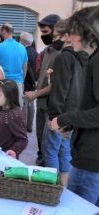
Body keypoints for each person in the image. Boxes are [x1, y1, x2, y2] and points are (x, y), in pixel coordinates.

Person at [51, 6, 99, 206]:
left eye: (73, 33)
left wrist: (64, 118)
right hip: (89, 155)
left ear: (88, 32)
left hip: (91, 159)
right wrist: (71, 124)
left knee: (76, 208)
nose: (69, 38)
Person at [43, 19, 89, 185]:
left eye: (56, 36)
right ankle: (63, 188)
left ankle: (52, 188)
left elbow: (60, 90)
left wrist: (54, 117)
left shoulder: (65, 57)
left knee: (50, 151)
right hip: (74, 114)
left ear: (67, 36)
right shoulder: (85, 57)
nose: (54, 40)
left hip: (61, 114)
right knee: (64, 152)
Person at [24, 14, 61, 166]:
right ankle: (41, 163)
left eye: (46, 32)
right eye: (42, 32)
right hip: (41, 103)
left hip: (53, 107)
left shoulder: (62, 54)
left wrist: (36, 93)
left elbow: (57, 84)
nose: (43, 35)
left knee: (51, 148)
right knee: (40, 139)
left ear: (56, 30)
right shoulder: (47, 51)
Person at [0, 79, 28, 159]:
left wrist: (14, 150)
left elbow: (22, 139)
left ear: (9, 96)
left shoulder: (14, 115)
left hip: (6, 158)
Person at [0, 23, 28, 107]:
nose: (0, 34)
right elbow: (25, 66)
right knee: (17, 112)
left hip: (3, 84)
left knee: (2, 112)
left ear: (4, 31)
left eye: (0, 31)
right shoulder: (22, 47)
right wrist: (21, 80)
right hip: (18, 84)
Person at [19, 32, 38, 133]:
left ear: (23, 41)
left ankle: (24, 126)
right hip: (34, 82)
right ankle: (30, 126)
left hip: (26, 81)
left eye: (20, 39)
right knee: (31, 105)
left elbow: (26, 69)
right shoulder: (35, 52)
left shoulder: (23, 52)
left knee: (25, 105)